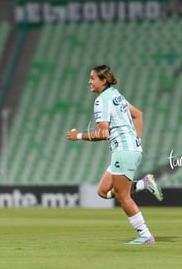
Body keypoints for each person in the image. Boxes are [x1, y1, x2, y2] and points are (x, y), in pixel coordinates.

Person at [66, 65, 163, 244]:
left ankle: (145, 235)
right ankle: (143, 184)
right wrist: (137, 140)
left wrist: (79, 135)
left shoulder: (102, 100)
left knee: (122, 196)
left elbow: (103, 134)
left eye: (92, 78)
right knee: (103, 192)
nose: (89, 81)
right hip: (130, 149)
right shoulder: (116, 95)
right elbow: (138, 115)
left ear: (103, 80)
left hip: (123, 151)